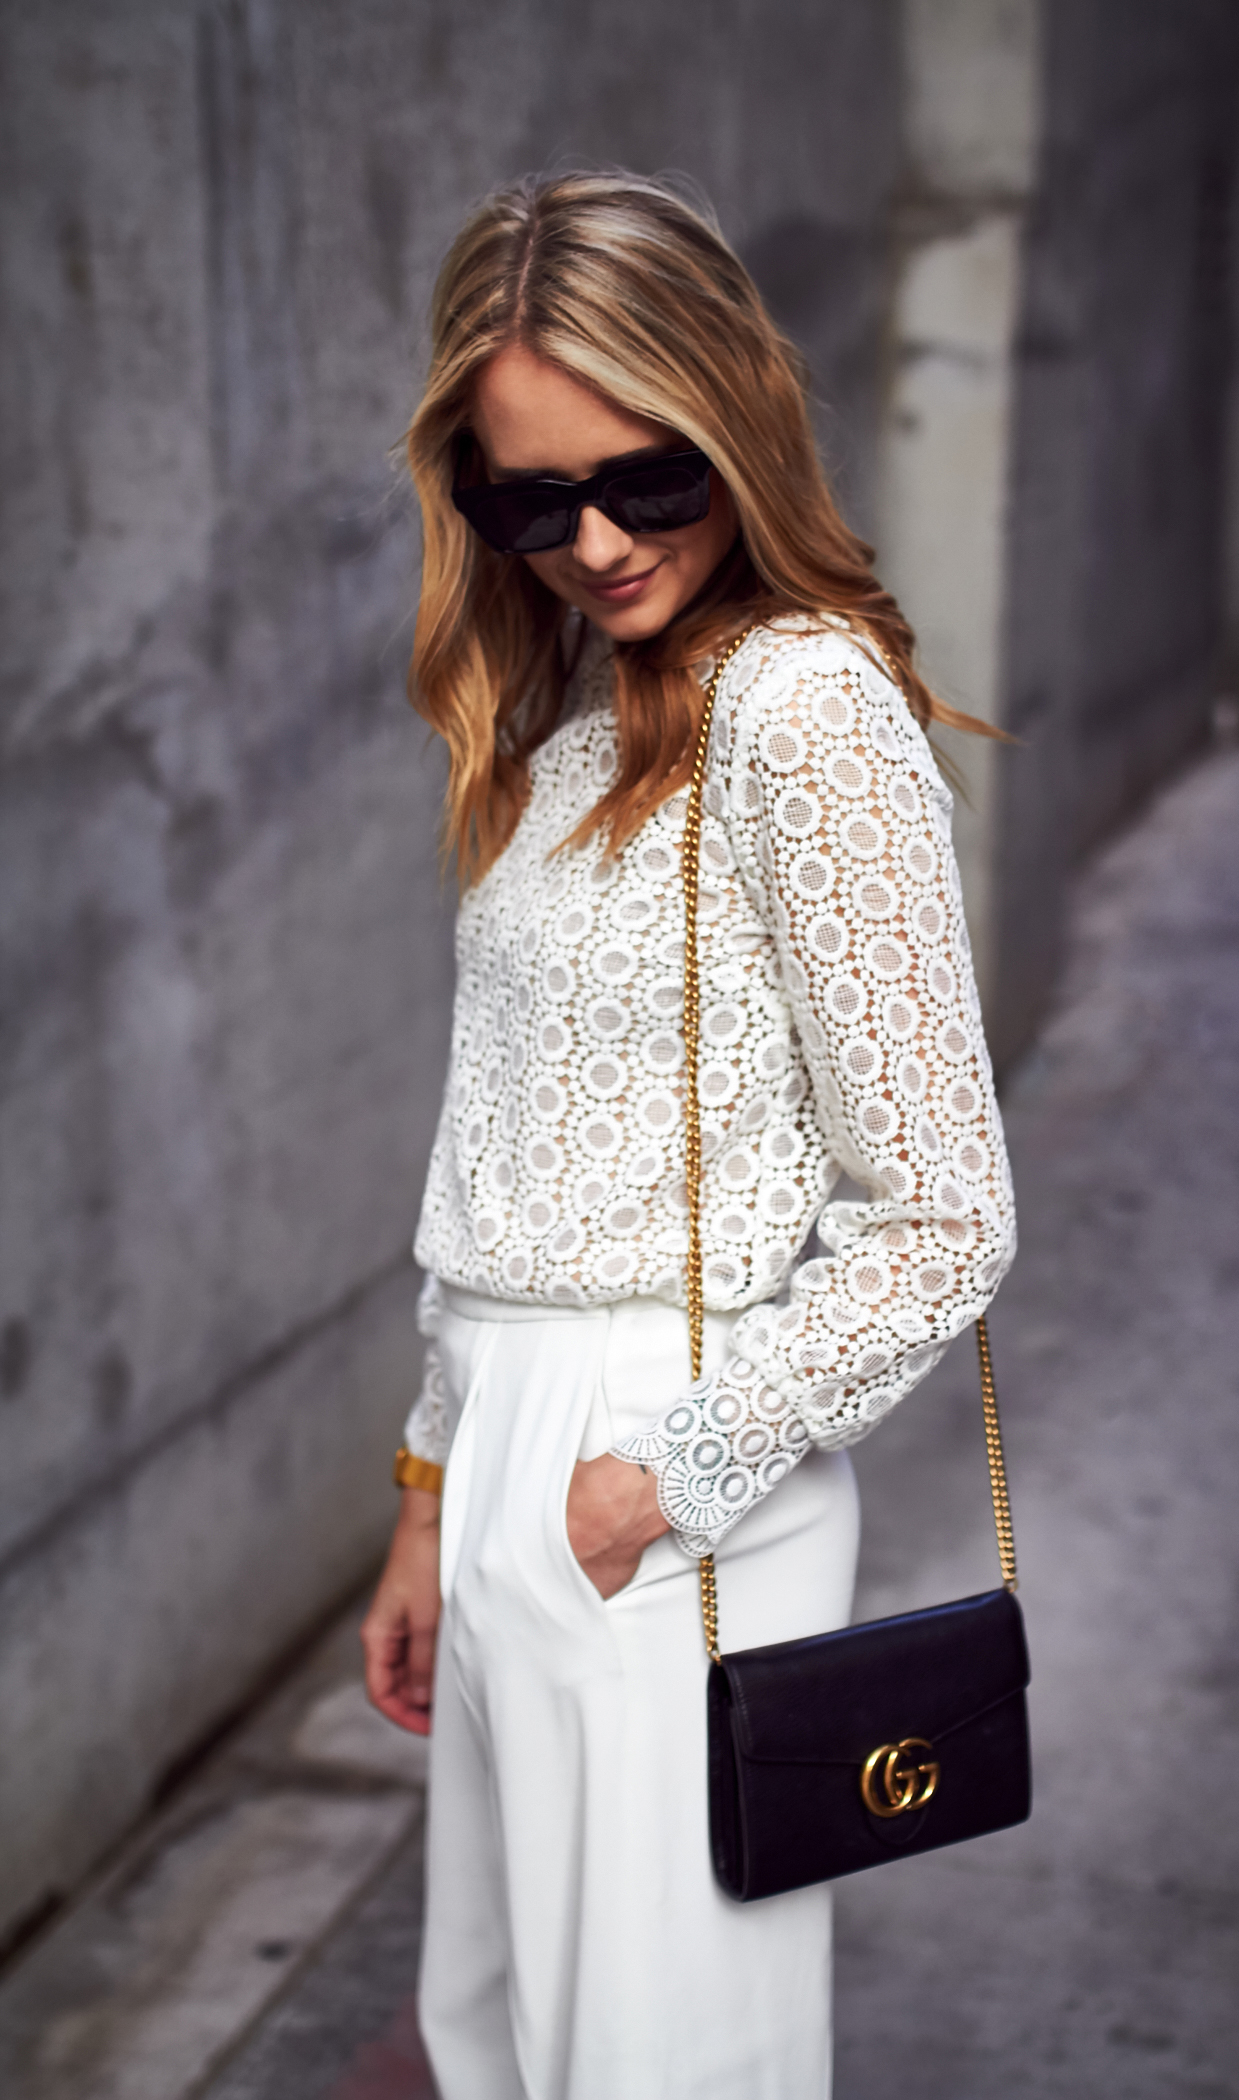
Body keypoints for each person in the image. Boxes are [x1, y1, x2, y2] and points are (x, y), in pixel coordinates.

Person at [360, 170, 1016, 2100]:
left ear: (733, 412)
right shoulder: (576, 726)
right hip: (504, 1443)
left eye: (643, 480)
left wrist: (654, 1478)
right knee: (501, 2045)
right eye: (527, 500)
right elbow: (499, 1157)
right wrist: (429, 1487)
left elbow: (944, 1215)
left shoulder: (804, 707)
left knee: (658, 2063)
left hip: (663, 1461)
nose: (593, 541)